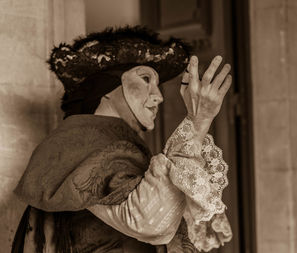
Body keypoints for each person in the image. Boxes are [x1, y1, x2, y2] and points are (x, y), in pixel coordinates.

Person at [12, 26, 232, 253]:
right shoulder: (83, 144)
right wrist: (197, 123)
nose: (158, 96)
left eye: (157, 85)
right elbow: (151, 221)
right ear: (106, 88)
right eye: (145, 79)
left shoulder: (113, 145)